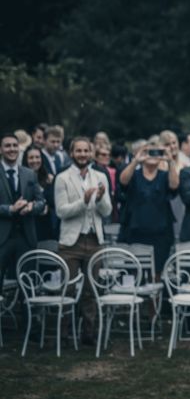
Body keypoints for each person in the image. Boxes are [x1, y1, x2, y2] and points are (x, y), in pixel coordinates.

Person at [55, 136, 112, 345]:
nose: (82, 155)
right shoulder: (62, 178)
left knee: (91, 289)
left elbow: (107, 211)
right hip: (71, 242)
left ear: (91, 153)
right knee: (67, 289)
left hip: (94, 239)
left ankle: (88, 334)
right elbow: (61, 211)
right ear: (72, 153)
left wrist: (98, 199)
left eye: (86, 151)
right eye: (78, 151)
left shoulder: (100, 177)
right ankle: (64, 334)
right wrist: (84, 201)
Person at [119, 144, 179, 275]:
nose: (152, 155)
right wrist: (136, 160)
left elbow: (174, 186)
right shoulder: (134, 174)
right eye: (148, 152)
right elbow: (123, 181)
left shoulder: (165, 176)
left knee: (158, 273)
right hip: (135, 230)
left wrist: (170, 162)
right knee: (134, 272)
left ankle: (156, 296)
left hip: (161, 232)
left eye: (156, 152)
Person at [0, 134, 45, 286]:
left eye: (14, 145)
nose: (12, 149)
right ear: (1, 149)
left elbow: (41, 202)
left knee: (27, 284)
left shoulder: (29, 173)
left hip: (26, 237)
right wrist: (10, 209)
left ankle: (26, 310)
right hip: (2, 238)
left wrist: (33, 207)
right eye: (7, 146)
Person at [22, 146, 57, 242]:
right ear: (26, 160)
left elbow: (55, 202)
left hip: (48, 227)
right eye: (31, 158)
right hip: (30, 226)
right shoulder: (21, 179)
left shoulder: (49, 178)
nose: (35, 160)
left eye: (37, 157)